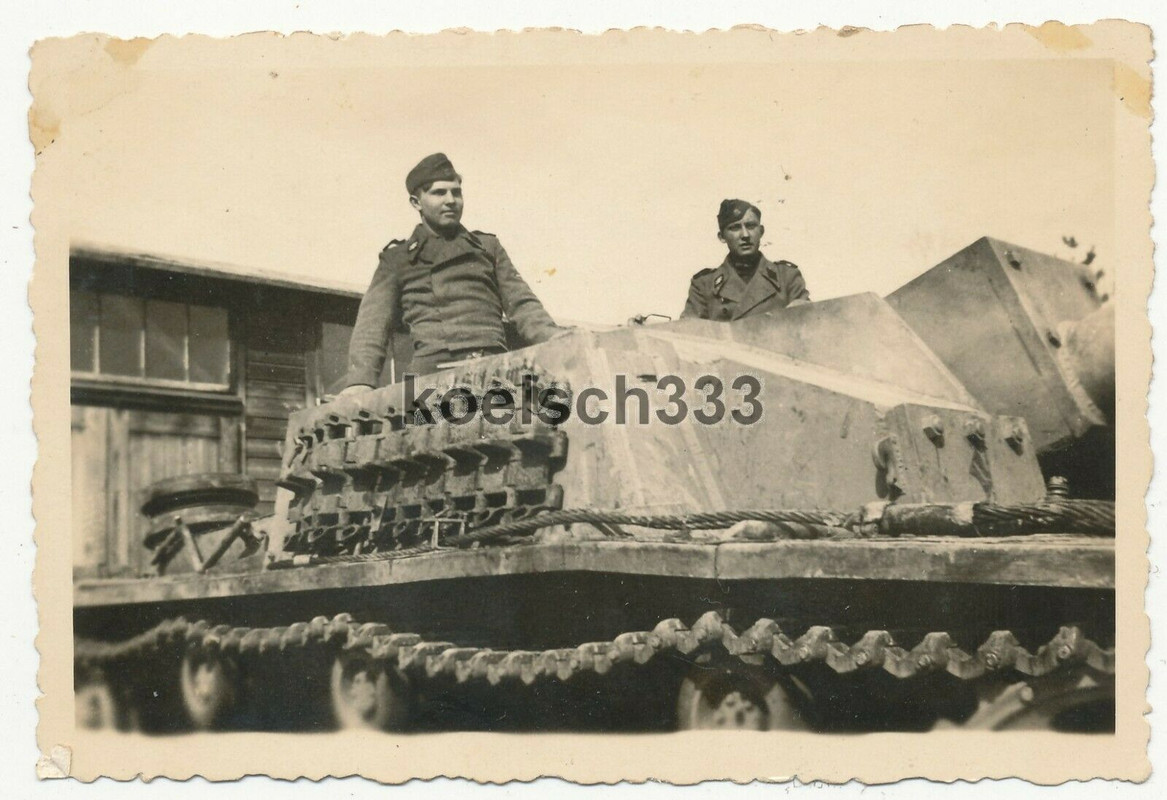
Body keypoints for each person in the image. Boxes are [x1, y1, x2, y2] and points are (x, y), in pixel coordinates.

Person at [340, 153, 565, 392]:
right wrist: (360, 381)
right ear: (416, 202)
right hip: (432, 374)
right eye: (439, 193)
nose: (451, 200)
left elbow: (522, 304)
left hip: (495, 366)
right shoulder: (397, 259)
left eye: (456, 192)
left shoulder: (487, 247)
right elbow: (372, 325)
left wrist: (552, 337)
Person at [680, 199, 811, 321]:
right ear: (722, 237)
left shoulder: (787, 277)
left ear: (761, 231)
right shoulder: (704, 285)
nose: (745, 235)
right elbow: (688, 336)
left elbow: (808, 324)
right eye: (735, 228)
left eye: (751, 226)